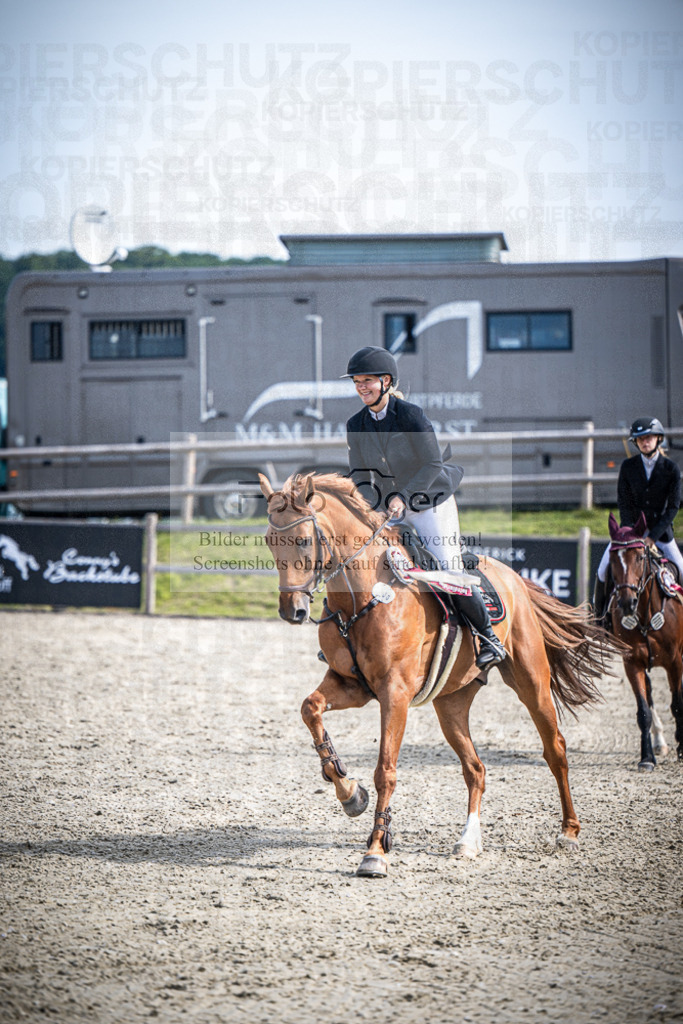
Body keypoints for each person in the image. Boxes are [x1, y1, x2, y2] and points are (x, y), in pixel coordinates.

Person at [343, 346, 506, 670]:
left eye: (368, 381)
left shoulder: (411, 415)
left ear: (386, 381)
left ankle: (489, 637)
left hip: (430, 502)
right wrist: (368, 507)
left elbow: (432, 464)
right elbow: (360, 475)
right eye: (357, 381)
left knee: (448, 568)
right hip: (390, 509)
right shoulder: (355, 423)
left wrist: (402, 496)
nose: (362, 387)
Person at [594, 416, 683, 622]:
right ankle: (598, 620)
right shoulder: (628, 467)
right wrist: (628, 533)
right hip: (631, 532)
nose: (645, 442)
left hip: (661, 535)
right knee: (602, 569)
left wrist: (652, 536)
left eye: (649, 437)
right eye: (640, 439)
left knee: (681, 568)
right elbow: (624, 503)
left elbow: (673, 507)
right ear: (636, 442)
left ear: (658, 439)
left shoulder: (671, 469)